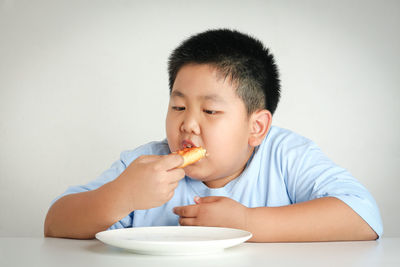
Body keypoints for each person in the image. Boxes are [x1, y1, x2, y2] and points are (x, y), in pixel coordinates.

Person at [44, 29, 382, 241]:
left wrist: (248, 222)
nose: (188, 125)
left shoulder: (286, 156)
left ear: (257, 127)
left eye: (210, 112)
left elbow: (363, 217)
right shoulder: (144, 166)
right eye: (178, 108)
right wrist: (122, 195)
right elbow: (55, 222)